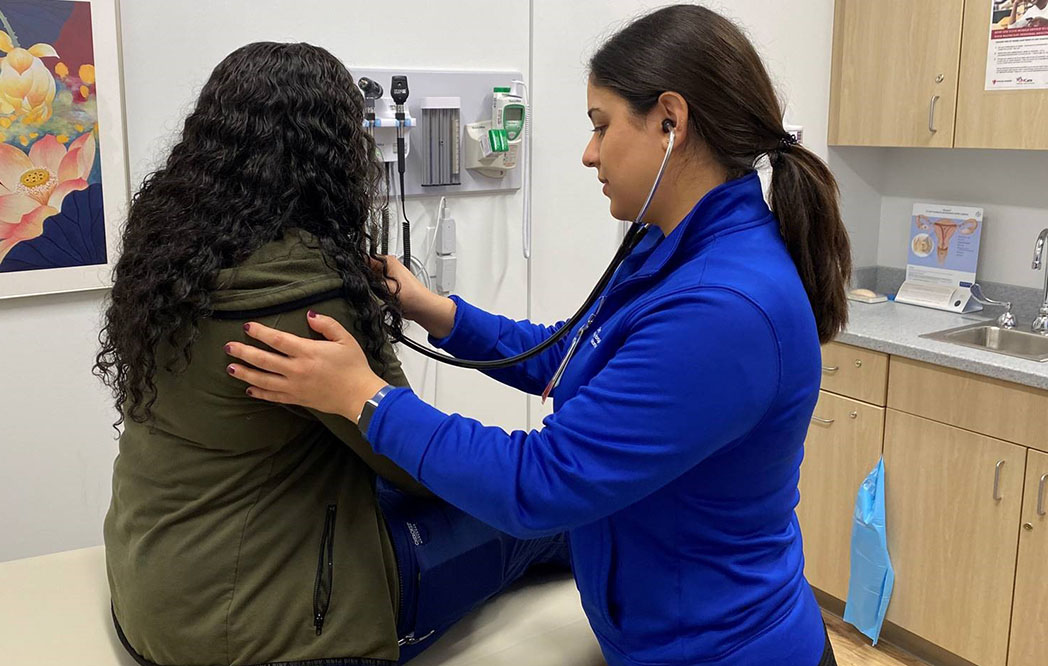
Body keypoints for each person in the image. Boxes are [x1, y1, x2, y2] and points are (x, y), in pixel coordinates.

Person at [224, 6, 851, 666]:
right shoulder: (669, 253)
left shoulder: (727, 309)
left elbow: (539, 483)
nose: (588, 153)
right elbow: (566, 354)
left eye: (601, 126)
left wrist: (364, 397)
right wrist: (437, 310)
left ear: (671, 121)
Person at [95, 42, 566, 666]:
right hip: (260, 630)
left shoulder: (170, 264)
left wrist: (424, 308)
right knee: (557, 511)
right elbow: (409, 466)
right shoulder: (307, 295)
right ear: (334, 153)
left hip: (155, 588)